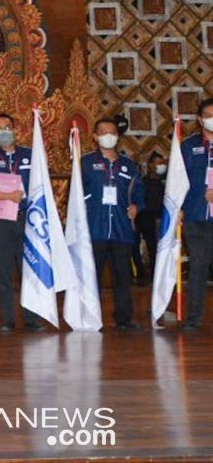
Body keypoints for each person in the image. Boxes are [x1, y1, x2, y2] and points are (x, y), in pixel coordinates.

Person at [0, 113, 42, 333]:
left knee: (29, 270)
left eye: (8, 127)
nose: (5, 132)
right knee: (3, 272)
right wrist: (7, 197)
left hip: (28, 219)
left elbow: (43, 186)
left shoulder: (32, 156)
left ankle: (32, 318)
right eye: (0, 129)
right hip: (2, 220)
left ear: (15, 129)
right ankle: (7, 319)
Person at [82, 117, 145, 331]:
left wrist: (136, 206)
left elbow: (139, 193)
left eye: (112, 132)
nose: (108, 136)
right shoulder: (85, 163)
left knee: (123, 275)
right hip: (95, 228)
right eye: (103, 132)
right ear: (95, 136)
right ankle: (91, 317)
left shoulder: (129, 165)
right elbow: (75, 194)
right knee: (93, 276)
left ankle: (124, 318)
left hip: (121, 228)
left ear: (117, 137)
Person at [179, 97, 213, 331]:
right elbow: (177, 181)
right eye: (209, 115)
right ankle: (193, 319)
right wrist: (178, 208)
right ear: (200, 119)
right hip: (196, 216)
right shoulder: (189, 146)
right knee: (198, 265)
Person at [136, 151, 166, 286]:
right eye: (158, 163)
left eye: (162, 163)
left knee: (154, 248)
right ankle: (141, 274)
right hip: (142, 219)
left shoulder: (163, 184)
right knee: (134, 248)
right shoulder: (143, 182)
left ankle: (156, 276)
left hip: (157, 220)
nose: (161, 166)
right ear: (151, 165)